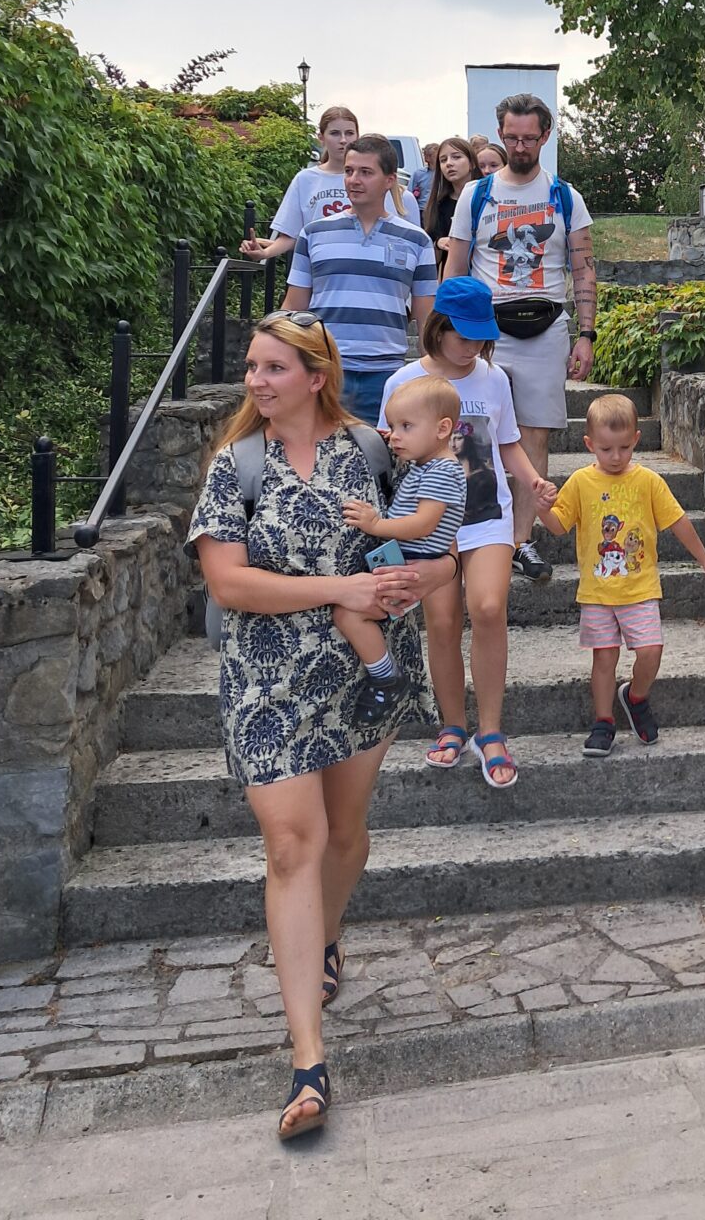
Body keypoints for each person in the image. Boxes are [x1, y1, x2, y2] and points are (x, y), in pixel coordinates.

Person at [187, 311, 459, 1140]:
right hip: (266, 681)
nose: (255, 380)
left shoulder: (374, 451)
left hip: (358, 675)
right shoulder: (235, 464)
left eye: (273, 367)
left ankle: (326, 933)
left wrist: (419, 578)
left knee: (344, 835)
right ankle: (309, 1061)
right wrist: (341, 590)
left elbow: (443, 548)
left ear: (316, 376)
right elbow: (230, 584)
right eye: (252, 367)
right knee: (292, 846)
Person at [379, 277, 557, 789]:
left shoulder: (494, 378)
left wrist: (533, 482)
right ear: (438, 327)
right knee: (440, 622)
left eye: (481, 337)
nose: (472, 347)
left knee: (488, 608)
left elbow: (507, 442)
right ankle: (452, 724)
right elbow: (389, 450)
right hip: (430, 524)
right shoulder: (404, 381)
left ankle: (491, 731)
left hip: (488, 515)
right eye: (463, 335)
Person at [445, 91, 596, 586]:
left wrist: (587, 334)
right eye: (511, 137)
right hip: (484, 329)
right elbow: (456, 265)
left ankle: (520, 539)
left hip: (546, 326)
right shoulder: (477, 194)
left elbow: (583, 269)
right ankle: (471, 532)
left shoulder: (566, 197)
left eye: (529, 138)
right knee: (471, 430)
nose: (520, 146)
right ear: (501, 133)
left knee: (534, 434)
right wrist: (444, 330)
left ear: (545, 136)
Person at [538, 393, 705, 756]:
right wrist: (542, 509)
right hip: (598, 591)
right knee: (604, 658)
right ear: (589, 444)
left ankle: (635, 697)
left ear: (637, 439)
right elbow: (559, 526)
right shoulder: (580, 482)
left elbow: (678, 521)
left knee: (651, 651)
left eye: (624, 447)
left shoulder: (648, 481)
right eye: (606, 449)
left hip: (640, 587)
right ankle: (603, 722)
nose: (616, 456)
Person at [335, 375, 466, 723]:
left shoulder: (441, 470)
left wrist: (375, 525)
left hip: (411, 565)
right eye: (393, 426)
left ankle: (386, 676)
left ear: (442, 429)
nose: (395, 435)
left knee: (349, 614)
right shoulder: (425, 465)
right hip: (406, 560)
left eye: (406, 427)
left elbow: (424, 523)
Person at [283, 135, 437, 425]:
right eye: (349, 171)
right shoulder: (313, 234)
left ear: (389, 180)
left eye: (366, 172)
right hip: (326, 371)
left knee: (381, 453)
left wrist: (432, 375)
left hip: (387, 375)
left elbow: (426, 316)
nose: (354, 180)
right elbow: (293, 307)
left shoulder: (417, 241)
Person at [241, 106, 419, 264]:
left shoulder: (379, 183)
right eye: (335, 133)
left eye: (349, 133)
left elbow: (400, 239)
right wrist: (264, 253)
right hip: (321, 271)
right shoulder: (306, 179)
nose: (343, 140)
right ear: (321, 137)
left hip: (369, 269)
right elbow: (291, 235)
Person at [424, 136, 479, 273]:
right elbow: (430, 258)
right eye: (443, 160)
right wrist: (438, 243)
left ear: (472, 163)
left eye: (456, 157)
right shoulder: (439, 205)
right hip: (454, 278)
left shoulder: (486, 199)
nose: (449, 163)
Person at [408, 143, 440, 218]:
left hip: (439, 209)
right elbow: (409, 193)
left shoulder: (444, 173)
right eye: (436, 155)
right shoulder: (418, 173)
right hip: (422, 210)